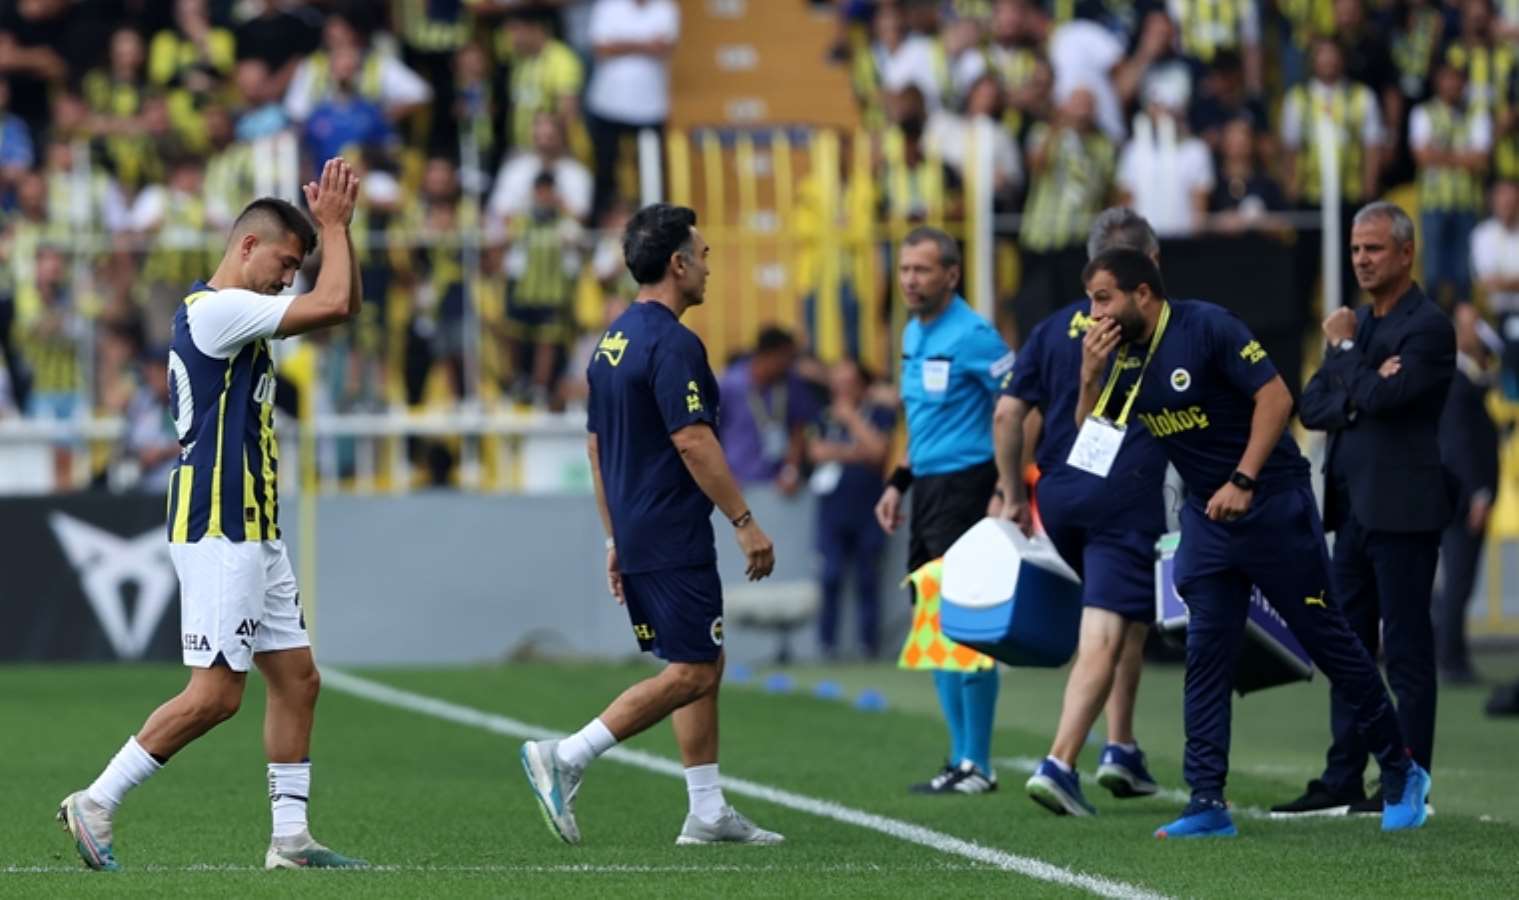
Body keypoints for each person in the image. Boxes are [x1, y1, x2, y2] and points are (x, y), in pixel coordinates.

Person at [57, 158, 369, 871]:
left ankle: (290, 839)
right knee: (216, 695)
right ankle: (98, 799)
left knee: (296, 678)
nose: (287, 277)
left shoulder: (240, 317)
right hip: (220, 521)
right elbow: (335, 305)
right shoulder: (218, 311)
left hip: (254, 523)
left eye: (297, 267)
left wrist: (326, 237)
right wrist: (333, 227)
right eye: (284, 263)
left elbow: (333, 305)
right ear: (247, 247)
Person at [1074, 247, 1430, 838]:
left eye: (1102, 298)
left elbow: (1277, 398)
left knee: (1329, 642)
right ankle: (1207, 802)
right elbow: (1093, 447)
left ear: (1143, 293)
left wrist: (1243, 479)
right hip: (1209, 521)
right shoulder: (1126, 360)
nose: (1093, 314)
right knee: (1206, 653)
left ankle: (1401, 770)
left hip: (1270, 503)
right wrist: (1089, 376)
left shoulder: (1206, 326)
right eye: (1090, 301)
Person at [519, 203, 783, 847]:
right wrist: (745, 521)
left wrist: (614, 538)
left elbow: (595, 448)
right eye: (703, 253)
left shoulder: (611, 342)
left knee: (702, 658)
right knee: (693, 670)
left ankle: (707, 809)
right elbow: (693, 441)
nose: (709, 266)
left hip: (638, 529)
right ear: (678, 263)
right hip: (672, 530)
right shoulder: (673, 343)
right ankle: (568, 756)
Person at [1277, 202, 1454, 817]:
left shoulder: (1426, 326)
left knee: (1404, 651)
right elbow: (1315, 406)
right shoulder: (1366, 329)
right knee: (1346, 648)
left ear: (1406, 253)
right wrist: (1362, 380)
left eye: (1374, 248)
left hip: (1404, 510)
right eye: (1356, 249)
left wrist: (1350, 356)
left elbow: (1386, 394)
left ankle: (1409, 780)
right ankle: (1343, 775)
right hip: (1350, 509)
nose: (1361, 259)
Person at [994, 208, 1167, 817]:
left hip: (1061, 493)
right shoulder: (1157, 328)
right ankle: (1062, 761)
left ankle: (1121, 745)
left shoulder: (1051, 328)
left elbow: (1008, 415)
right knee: (1106, 625)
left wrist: (1012, 493)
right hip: (1123, 494)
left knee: (1127, 615)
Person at [875, 226, 1013, 794]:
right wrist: (897, 482)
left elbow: (1021, 408)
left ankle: (977, 762)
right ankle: (959, 759)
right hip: (928, 487)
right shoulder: (912, 332)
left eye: (922, 269)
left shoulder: (976, 335)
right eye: (905, 268)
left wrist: (1008, 486)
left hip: (968, 485)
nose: (910, 279)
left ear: (951, 275)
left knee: (965, 622)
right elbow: (924, 421)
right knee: (929, 621)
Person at [807, 358, 895, 659]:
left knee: (868, 577)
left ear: (862, 386)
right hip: (832, 511)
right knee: (830, 576)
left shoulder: (878, 414)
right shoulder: (823, 417)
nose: (841, 390)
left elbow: (879, 452)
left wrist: (851, 420)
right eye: (837, 384)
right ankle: (826, 645)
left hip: (869, 508)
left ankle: (868, 645)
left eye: (848, 384)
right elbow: (816, 452)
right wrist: (856, 452)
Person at [1434, 304, 1501, 683]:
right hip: (1463, 498)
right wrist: (1478, 494)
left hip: (1462, 495)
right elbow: (1460, 445)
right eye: (1472, 325)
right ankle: (1450, 659)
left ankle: (1447, 654)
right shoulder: (1457, 380)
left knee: (1457, 582)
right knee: (1458, 580)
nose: (1480, 330)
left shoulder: (1470, 376)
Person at [718, 327, 813, 493]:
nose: (790, 364)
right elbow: (712, 431)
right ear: (767, 354)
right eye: (786, 358)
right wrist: (723, 474)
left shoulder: (792, 383)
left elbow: (798, 429)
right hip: (737, 482)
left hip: (778, 485)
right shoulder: (729, 384)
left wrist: (791, 470)